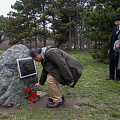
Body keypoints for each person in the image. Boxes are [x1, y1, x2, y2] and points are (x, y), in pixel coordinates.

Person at [106, 14, 120, 82]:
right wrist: (109, 48)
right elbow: (112, 39)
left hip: (119, 50)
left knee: (118, 63)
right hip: (113, 48)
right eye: (115, 22)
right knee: (111, 62)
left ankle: (118, 77)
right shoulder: (114, 29)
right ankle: (111, 76)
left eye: (117, 22)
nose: (116, 23)